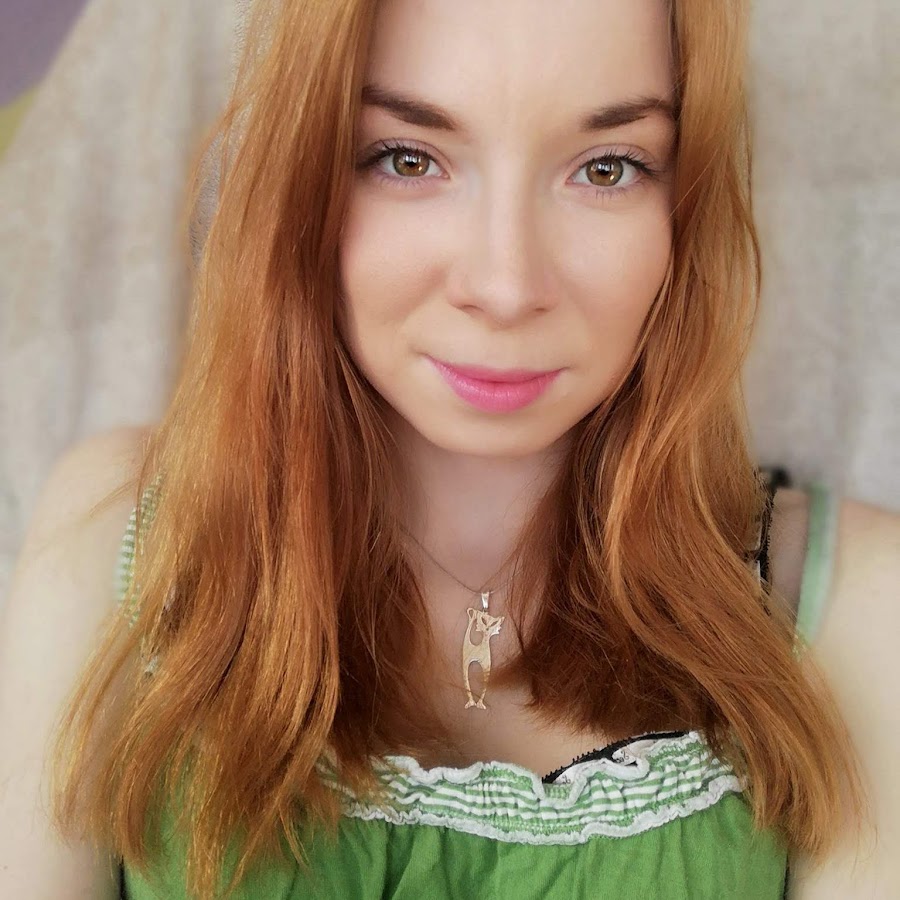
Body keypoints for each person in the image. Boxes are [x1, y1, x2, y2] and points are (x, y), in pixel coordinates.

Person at [1, 0, 898, 897]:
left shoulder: (854, 609)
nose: (506, 287)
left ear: (686, 204)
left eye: (607, 168)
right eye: (408, 158)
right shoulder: (119, 531)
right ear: (301, 176)